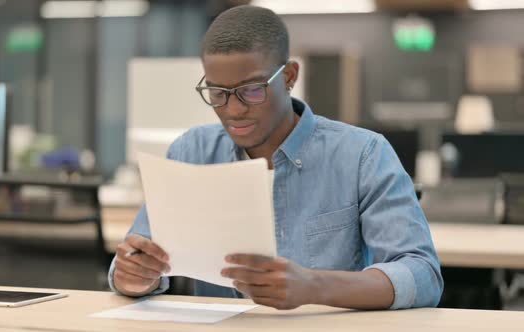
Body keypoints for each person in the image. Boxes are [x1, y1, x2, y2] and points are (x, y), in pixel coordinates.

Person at [109, 5, 443, 310]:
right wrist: (135, 276)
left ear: (289, 77)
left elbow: (423, 275)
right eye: (217, 93)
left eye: (252, 90)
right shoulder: (190, 152)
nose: (234, 110)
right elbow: (133, 262)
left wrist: (315, 286)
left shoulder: (363, 155)